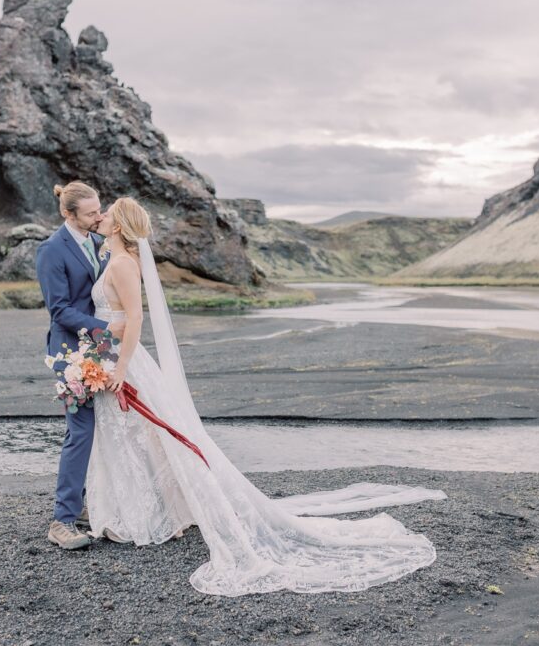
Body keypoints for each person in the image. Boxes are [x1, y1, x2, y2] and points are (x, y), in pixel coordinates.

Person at [80, 197, 448, 596]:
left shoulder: (121, 264)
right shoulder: (110, 257)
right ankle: (135, 513)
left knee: (145, 436)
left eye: (107, 216)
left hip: (124, 363)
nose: (100, 218)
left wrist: (117, 366)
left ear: (118, 226)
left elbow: (133, 319)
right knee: (128, 438)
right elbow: (112, 314)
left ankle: (155, 517)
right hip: (107, 354)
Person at [35, 181, 124, 551]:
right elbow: (58, 310)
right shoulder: (51, 250)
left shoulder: (97, 242)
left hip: (100, 349)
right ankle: (62, 520)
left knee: (103, 426)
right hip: (71, 353)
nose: (99, 216)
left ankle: (88, 504)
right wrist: (105, 327)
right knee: (81, 430)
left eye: (99, 209)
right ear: (66, 213)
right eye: (90, 213)